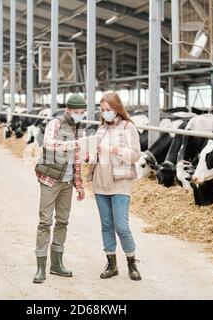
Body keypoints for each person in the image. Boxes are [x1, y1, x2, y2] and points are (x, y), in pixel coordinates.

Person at [86, 92, 142, 281]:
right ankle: (111, 264)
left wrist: (114, 150)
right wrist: (89, 156)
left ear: (117, 108)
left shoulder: (129, 127)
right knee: (107, 226)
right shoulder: (101, 130)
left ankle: (132, 264)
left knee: (121, 226)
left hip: (120, 182)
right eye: (102, 110)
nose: (105, 114)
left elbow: (135, 155)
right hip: (100, 183)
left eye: (108, 110)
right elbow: (96, 155)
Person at [33, 94, 86, 284]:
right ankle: (40, 268)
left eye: (82, 112)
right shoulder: (55, 123)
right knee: (45, 222)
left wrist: (79, 185)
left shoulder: (80, 129)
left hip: (68, 182)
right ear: (68, 110)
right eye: (77, 112)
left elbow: (78, 160)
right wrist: (74, 144)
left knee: (63, 221)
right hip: (50, 179)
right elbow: (48, 144)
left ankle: (56, 264)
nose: (80, 115)